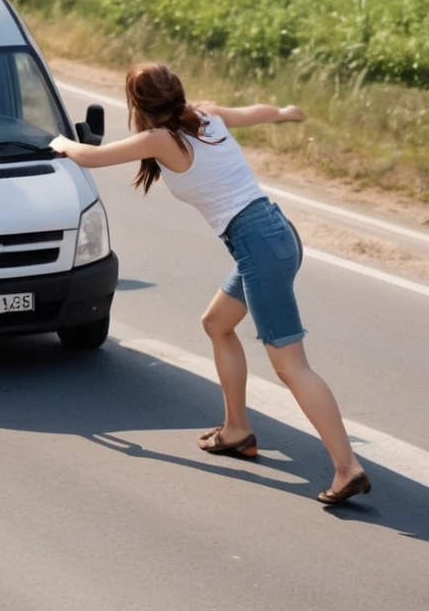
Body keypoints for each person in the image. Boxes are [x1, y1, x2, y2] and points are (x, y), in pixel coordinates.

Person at [49, 63, 371, 506]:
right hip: (275, 233)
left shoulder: (161, 139)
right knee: (217, 323)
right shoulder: (204, 115)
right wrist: (285, 110)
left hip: (258, 243)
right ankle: (237, 430)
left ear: (138, 105)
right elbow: (255, 113)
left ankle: (346, 467)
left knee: (291, 366)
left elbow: (88, 156)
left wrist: (55, 140)